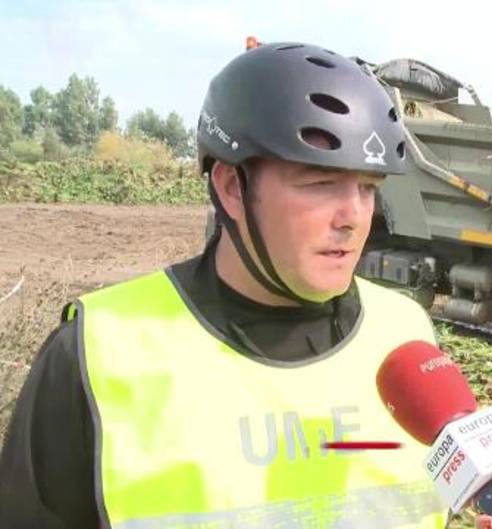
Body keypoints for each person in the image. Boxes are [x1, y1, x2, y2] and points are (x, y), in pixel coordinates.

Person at [0, 41, 446, 528]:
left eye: (368, 188)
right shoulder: (99, 352)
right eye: (320, 185)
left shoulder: (406, 332)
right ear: (232, 188)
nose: (354, 219)